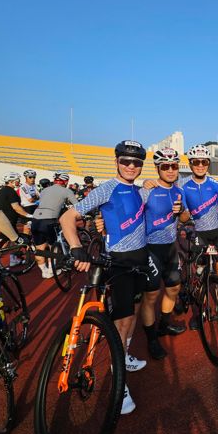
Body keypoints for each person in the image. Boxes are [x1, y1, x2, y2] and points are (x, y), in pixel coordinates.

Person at [60, 140, 149, 415]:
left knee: (132, 314)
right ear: (116, 162)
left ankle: (124, 356)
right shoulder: (107, 188)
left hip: (140, 260)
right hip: (118, 263)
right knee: (121, 323)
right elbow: (67, 218)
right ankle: (118, 382)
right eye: (125, 161)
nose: (131, 166)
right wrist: (76, 248)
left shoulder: (140, 190)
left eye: (136, 162)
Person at [139, 148, 190, 357]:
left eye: (174, 166)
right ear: (157, 168)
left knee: (173, 288)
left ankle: (164, 324)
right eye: (165, 166)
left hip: (170, 247)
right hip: (150, 248)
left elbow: (185, 218)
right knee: (151, 296)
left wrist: (181, 212)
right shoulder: (148, 190)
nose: (170, 170)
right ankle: (152, 340)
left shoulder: (179, 191)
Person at [178, 144, 218, 329]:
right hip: (200, 233)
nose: (200, 165)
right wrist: (184, 214)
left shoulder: (216, 185)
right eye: (196, 162)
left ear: (208, 163)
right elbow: (183, 217)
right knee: (200, 274)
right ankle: (201, 310)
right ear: (190, 164)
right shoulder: (183, 186)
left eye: (204, 162)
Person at [32, 172, 77, 279]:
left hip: (35, 219)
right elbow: (77, 205)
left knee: (40, 248)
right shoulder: (67, 191)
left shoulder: (45, 190)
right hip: (49, 219)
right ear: (65, 181)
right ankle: (52, 270)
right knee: (53, 247)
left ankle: (44, 271)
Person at [0, 172, 33, 266]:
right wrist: (28, 215)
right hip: (9, 219)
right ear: (11, 181)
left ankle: (13, 259)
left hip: (4, 218)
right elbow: (16, 207)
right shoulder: (11, 191)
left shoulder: (1, 190)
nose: (19, 182)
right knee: (6, 242)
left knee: (10, 240)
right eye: (17, 180)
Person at [19, 169, 40, 234]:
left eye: (34, 177)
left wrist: (35, 198)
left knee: (36, 226)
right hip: (27, 208)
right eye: (30, 177)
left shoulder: (34, 185)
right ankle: (26, 240)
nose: (32, 179)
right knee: (28, 228)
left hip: (35, 207)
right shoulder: (23, 187)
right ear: (26, 178)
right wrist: (36, 197)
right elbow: (30, 200)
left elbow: (39, 197)